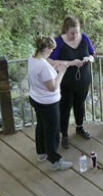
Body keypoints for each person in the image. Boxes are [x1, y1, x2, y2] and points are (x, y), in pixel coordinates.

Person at [49, 15, 96, 149]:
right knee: (64, 108)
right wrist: (70, 63)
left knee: (80, 104)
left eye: (77, 32)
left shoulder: (84, 38)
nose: (75, 35)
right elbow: (50, 61)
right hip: (65, 83)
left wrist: (89, 59)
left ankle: (79, 127)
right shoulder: (58, 42)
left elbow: (93, 53)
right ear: (65, 30)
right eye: (72, 33)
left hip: (83, 80)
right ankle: (64, 134)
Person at [28, 36, 73, 170]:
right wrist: (62, 72)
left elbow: (44, 66)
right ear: (45, 48)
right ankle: (55, 160)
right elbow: (52, 87)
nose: (52, 52)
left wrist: (54, 64)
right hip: (47, 103)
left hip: (36, 98)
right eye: (51, 50)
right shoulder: (43, 66)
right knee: (52, 131)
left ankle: (41, 153)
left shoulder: (32, 57)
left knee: (41, 125)